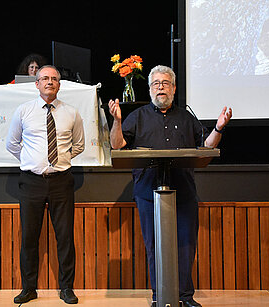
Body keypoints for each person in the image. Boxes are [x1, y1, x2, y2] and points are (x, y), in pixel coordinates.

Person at [108, 65, 232, 307]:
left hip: (183, 191)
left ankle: (185, 296)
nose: (161, 87)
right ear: (150, 88)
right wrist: (117, 121)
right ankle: (159, 296)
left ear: (174, 88)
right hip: (147, 192)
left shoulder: (186, 117)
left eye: (165, 83)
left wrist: (218, 128)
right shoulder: (139, 116)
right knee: (154, 246)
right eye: (156, 83)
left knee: (186, 244)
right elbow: (118, 145)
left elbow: (205, 146)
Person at [6, 65, 85, 304]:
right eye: (45, 79)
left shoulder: (72, 112)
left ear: (59, 85)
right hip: (31, 182)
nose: (49, 82)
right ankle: (29, 288)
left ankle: (66, 288)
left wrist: (60, 161)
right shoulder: (23, 111)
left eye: (54, 79)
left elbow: (79, 145)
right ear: (37, 84)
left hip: (61, 181)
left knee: (65, 237)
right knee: (29, 238)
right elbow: (12, 143)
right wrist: (31, 161)